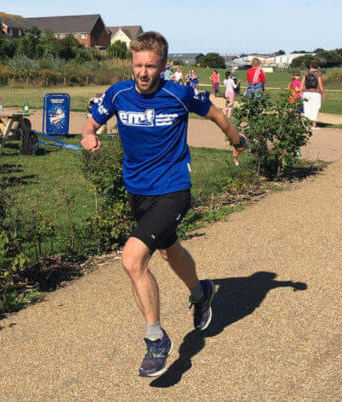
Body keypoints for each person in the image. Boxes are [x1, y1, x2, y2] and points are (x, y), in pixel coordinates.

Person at [80, 31, 246, 377]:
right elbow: (92, 120)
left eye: (151, 66)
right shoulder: (118, 94)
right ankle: (202, 293)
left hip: (173, 189)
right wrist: (89, 134)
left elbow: (215, 113)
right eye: (138, 65)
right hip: (137, 191)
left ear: (163, 66)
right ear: (132, 64)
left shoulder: (179, 93)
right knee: (169, 251)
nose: (143, 72)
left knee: (132, 259)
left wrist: (235, 138)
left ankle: (156, 339)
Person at [302, 60, 325, 129]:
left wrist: (301, 91)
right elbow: (320, 84)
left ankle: (306, 124)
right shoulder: (318, 73)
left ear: (310, 66)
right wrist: (323, 92)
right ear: (318, 67)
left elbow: (302, 82)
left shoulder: (306, 73)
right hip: (315, 93)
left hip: (306, 92)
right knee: (315, 107)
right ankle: (314, 124)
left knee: (307, 108)